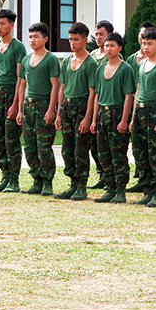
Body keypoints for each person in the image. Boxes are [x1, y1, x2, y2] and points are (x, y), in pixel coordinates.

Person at [130, 27, 156, 207]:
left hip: (155, 111)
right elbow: (138, 91)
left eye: (150, 44)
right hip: (140, 111)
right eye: (144, 43)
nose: (146, 47)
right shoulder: (141, 65)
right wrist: (132, 118)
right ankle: (147, 190)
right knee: (140, 152)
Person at [0, 9, 27, 193]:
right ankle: (5, 176)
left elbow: (20, 78)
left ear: (12, 25)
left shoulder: (18, 47)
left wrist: (16, 105)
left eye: (2, 23)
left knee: (12, 140)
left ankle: (14, 180)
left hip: (11, 94)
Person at [90, 32, 136, 203]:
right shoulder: (100, 69)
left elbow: (128, 96)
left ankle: (120, 189)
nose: (108, 49)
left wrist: (124, 120)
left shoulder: (126, 69)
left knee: (118, 153)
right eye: (106, 45)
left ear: (120, 48)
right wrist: (94, 119)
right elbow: (96, 95)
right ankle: (109, 187)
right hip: (103, 113)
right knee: (103, 153)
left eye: (112, 46)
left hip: (117, 113)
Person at [55, 22, 98, 201]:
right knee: (67, 148)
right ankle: (72, 183)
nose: (72, 43)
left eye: (76, 39)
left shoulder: (91, 64)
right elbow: (62, 87)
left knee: (80, 149)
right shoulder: (67, 62)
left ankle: (81, 185)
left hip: (82, 107)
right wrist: (58, 112)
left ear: (85, 40)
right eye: (70, 39)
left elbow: (92, 93)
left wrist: (87, 117)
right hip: (67, 107)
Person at [16, 23, 60, 196]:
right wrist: (20, 110)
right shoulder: (26, 60)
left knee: (44, 146)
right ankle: (37, 180)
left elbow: (55, 86)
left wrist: (51, 110)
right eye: (30, 37)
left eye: (36, 36)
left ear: (45, 39)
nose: (32, 40)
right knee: (29, 146)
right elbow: (22, 85)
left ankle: (47, 181)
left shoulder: (51, 59)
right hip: (28, 106)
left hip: (43, 105)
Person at [125, 21, 156, 192]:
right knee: (139, 147)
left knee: (154, 149)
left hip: (154, 109)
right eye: (142, 37)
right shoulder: (134, 60)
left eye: (149, 40)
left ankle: (155, 186)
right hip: (138, 107)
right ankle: (143, 180)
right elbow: (135, 88)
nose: (144, 42)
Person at [87, 20, 115, 189]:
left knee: (108, 144)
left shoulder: (112, 56)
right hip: (93, 102)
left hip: (107, 102)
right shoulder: (92, 55)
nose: (98, 37)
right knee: (94, 143)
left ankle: (111, 176)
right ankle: (102, 174)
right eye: (96, 34)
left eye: (101, 34)